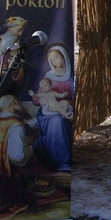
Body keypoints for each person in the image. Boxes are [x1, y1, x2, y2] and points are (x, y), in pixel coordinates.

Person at [32, 44, 74, 172]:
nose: (55, 62)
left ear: (64, 56)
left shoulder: (71, 76)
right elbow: (37, 98)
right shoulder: (48, 76)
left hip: (67, 107)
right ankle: (60, 161)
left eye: (57, 58)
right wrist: (42, 101)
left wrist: (68, 103)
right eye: (52, 60)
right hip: (49, 112)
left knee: (63, 113)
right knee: (57, 120)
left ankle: (64, 160)